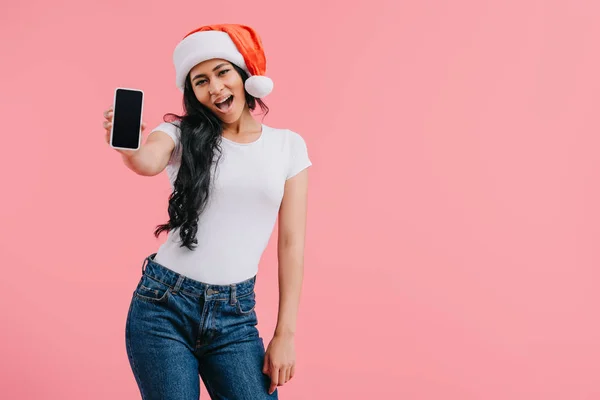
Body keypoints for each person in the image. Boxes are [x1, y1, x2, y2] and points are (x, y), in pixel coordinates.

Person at [102, 24, 312, 400]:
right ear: (193, 93)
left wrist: (285, 335)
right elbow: (149, 161)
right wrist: (130, 149)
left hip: (235, 317)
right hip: (162, 307)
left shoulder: (288, 147)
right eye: (200, 81)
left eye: (222, 72)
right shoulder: (179, 133)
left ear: (244, 76)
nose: (214, 87)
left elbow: (292, 244)